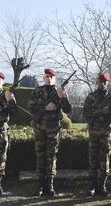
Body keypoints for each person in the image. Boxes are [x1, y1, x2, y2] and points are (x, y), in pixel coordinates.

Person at [27, 68, 72, 197]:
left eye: (51, 77)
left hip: (53, 129)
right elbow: (30, 107)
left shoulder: (59, 91)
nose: (49, 78)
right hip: (39, 128)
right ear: (43, 77)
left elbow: (68, 109)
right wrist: (44, 107)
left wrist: (63, 97)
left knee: (51, 157)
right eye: (47, 76)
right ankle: (40, 185)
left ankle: (50, 185)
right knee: (40, 156)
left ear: (55, 78)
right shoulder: (37, 91)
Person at [83, 71, 111, 197]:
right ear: (97, 81)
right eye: (100, 81)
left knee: (104, 161)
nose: (102, 83)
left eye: (105, 81)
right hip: (94, 133)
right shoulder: (91, 97)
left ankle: (102, 186)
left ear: (108, 82)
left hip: (106, 134)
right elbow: (85, 114)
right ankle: (93, 186)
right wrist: (100, 111)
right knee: (93, 160)